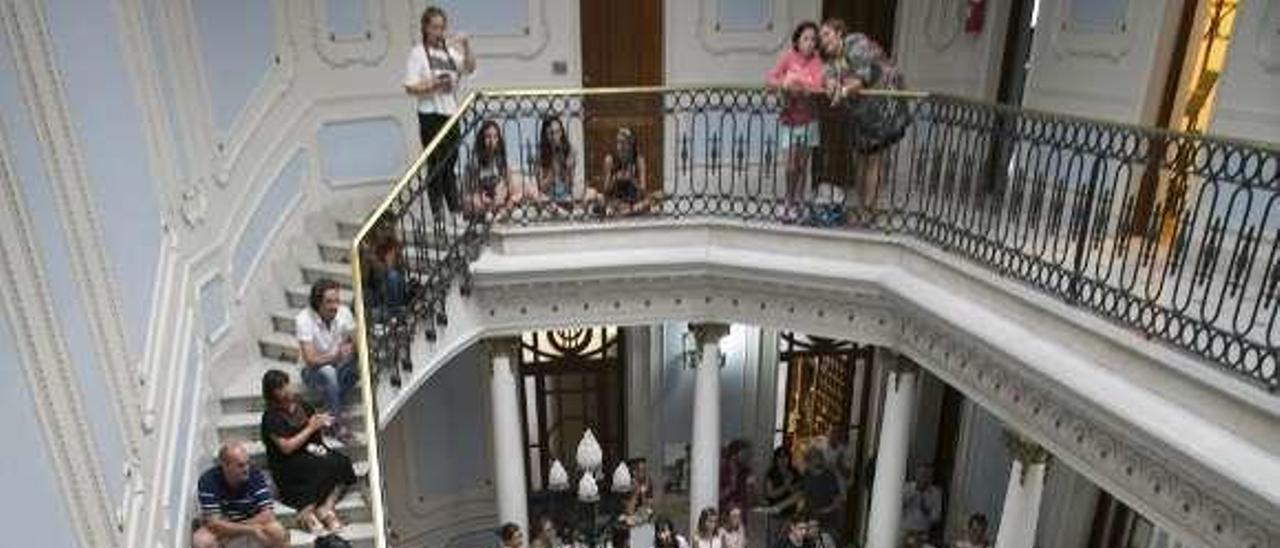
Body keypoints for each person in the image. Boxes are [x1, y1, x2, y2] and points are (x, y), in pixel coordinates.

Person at [817, 18, 906, 216]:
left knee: (874, 159)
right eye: (821, 37)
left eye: (826, 34)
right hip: (860, 113)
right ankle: (860, 207)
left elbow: (862, 77)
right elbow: (827, 75)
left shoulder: (856, 43)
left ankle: (869, 209)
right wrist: (831, 83)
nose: (823, 40)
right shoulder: (834, 58)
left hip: (880, 108)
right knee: (860, 159)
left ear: (839, 33)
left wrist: (843, 90)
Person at [259, 369, 358, 534]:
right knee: (319, 468)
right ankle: (307, 513)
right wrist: (311, 427)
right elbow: (286, 447)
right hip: (287, 461)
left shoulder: (301, 405)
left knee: (341, 462)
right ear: (273, 393)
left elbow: (314, 429)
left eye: (286, 384)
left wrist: (320, 424)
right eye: (281, 387)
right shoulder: (270, 417)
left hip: (309, 451)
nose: (287, 389)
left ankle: (326, 508)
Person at [403, 6, 476, 224]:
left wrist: (466, 45)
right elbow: (409, 87)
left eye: (442, 27)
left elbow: (470, 68)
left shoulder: (449, 52)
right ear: (425, 28)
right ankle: (438, 214)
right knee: (435, 163)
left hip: (451, 112)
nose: (439, 32)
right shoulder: (417, 53)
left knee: (450, 162)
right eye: (435, 27)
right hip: (430, 114)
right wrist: (432, 84)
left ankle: (455, 210)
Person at [765, 21, 826, 222]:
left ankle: (800, 202)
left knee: (802, 165)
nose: (810, 43)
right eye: (806, 38)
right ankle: (788, 201)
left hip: (810, 121)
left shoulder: (818, 61)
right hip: (790, 120)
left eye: (813, 40)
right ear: (797, 40)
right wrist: (784, 83)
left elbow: (819, 86)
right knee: (791, 165)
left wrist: (800, 83)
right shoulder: (788, 57)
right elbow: (771, 80)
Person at [295, 278, 359, 440]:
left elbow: (358, 341)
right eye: (329, 302)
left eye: (337, 300)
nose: (335, 306)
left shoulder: (343, 312)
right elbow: (310, 359)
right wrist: (335, 356)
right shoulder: (303, 319)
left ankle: (330, 408)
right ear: (317, 303)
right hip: (312, 372)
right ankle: (337, 426)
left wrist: (353, 347)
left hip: (339, 365)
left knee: (358, 365)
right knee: (329, 372)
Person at [192, 441, 288, 548]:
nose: (246, 469)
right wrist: (249, 529)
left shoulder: (255, 475)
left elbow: (268, 514)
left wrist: (236, 528)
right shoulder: (208, 481)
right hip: (230, 531)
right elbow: (214, 523)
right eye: (241, 465)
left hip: (243, 525)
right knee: (201, 540)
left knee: (277, 531)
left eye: (247, 463)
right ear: (225, 465)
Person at [603, 126, 652, 215]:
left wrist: (632, 179)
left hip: (633, 201)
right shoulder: (610, 160)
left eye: (623, 143)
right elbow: (606, 190)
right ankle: (621, 211)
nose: (620, 147)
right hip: (615, 201)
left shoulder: (638, 160)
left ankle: (625, 211)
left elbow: (643, 189)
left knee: (648, 202)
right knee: (594, 197)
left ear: (631, 144)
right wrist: (615, 178)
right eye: (618, 142)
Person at [800, 449, 841, 541]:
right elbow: (803, 495)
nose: (808, 462)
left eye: (814, 458)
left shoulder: (829, 476)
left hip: (827, 520)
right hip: (810, 518)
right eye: (808, 459)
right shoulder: (807, 474)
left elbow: (837, 501)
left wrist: (823, 511)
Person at [902, 465, 943, 543]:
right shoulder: (906, 488)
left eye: (927, 475)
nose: (924, 477)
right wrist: (909, 499)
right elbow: (895, 510)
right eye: (921, 474)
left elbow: (936, 518)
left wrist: (926, 510)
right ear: (916, 475)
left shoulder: (936, 492)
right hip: (905, 531)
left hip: (923, 533)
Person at [764, 446, 802, 514]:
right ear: (776, 459)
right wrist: (786, 485)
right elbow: (770, 494)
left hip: (791, 507)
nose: (783, 460)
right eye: (780, 457)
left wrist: (792, 487)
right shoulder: (771, 473)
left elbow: (799, 488)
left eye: (785, 457)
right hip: (775, 505)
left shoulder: (794, 472)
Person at [719, 440, 751, 516]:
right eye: (744, 454)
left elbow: (748, 497)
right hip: (726, 514)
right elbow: (717, 496)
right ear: (735, 454)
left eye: (747, 454)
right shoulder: (723, 470)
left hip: (741, 513)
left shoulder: (746, 471)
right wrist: (730, 488)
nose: (747, 457)